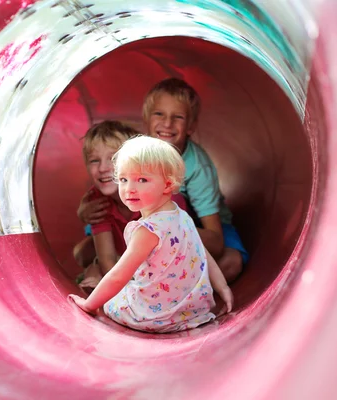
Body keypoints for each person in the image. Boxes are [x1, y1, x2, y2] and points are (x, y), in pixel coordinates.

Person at [69, 136, 234, 333]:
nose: (130, 188)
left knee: (113, 298)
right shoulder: (182, 217)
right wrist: (223, 289)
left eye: (142, 179)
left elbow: (118, 276)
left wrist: (89, 304)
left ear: (168, 185)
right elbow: (203, 255)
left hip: (150, 317)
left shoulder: (148, 230)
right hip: (192, 313)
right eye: (123, 179)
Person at [142, 78, 249, 282]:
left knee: (232, 261)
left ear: (190, 127)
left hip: (200, 226)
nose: (167, 123)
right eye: (159, 114)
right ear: (146, 119)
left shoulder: (197, 166)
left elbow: (216, 242)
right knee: (86, 250)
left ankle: (174, 289)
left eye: (178, 117)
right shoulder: (136, 154)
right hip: (154, 228)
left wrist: (170, 234)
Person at [73, 121, 189, 290]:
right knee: (95, 267)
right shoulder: (97, 201)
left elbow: (175, 256)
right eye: (94, 161)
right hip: (127, 260)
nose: (103, 168)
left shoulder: (155, 194)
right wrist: (126, 294)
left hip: (167, 259)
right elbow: (108, 260)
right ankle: (94, 275)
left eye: (113, 159)